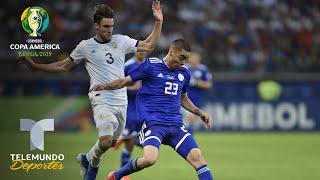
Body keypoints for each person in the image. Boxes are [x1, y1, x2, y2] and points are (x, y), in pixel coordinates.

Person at [20, 1, 163, 179]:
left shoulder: (121, 41)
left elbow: (149, 46)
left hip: (121, 100)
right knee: (104, 141)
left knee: (110, 143)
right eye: (105, 27)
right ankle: (91, 172)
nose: (109, 30)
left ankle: (87, 159)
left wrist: (158, 22)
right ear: (96, 25)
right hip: (101, 98)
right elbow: (64, 66)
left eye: (111, 26)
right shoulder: (85, 46)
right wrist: (37, 67)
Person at [92, 39, 214, 180]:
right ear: (171, 52)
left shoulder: (184, 73)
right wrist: (104, 86)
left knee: (198, 158)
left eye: (186, 59)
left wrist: (200, 113)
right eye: (181, 58)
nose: (183, 63)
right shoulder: (151, 66)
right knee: (150, 159)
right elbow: (123, 81)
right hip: (153, 124)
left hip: (175, 125)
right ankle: (116, 175)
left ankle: (124, 149)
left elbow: (183, 98)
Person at [116, 51, 147, 180]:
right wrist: (132, 88)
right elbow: (117, 85)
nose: (142, 53)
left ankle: (123, 138)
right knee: (132, 142)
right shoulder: (128, 66)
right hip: (130, 108)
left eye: (145, 50)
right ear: (134, 51)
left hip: (144, 107)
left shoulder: (149, 64)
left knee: (135, 141)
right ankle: (124, 175)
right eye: (140, 50)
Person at [184, 52, 212, 133]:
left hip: (196, 99)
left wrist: (197, 83)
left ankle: (188, 138)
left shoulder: (203, 69)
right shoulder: (184, 68)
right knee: (187, 121)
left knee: (190, 121)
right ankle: (188, 139)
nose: (195, 59)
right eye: (193, 57)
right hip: (183, 98)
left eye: (197, 57)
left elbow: (209, 85)